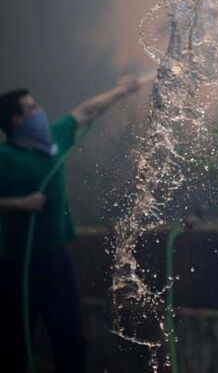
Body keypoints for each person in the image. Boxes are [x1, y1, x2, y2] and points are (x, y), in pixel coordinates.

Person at [0, 76, 144, 372]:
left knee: (71, 337)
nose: (40, 111)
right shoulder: (5, 157)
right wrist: (19, 204)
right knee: (15, 343)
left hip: (57, 258)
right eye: (32, 108)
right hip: (16, 264)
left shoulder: (54, 138)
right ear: (16, 119)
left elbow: (86, 110)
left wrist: (121, 90)